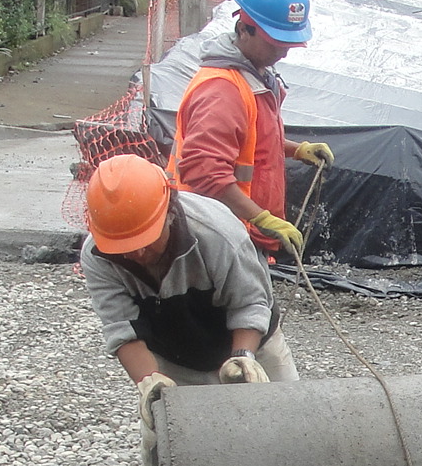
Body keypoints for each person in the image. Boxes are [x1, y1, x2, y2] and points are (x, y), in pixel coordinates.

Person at [80, 152, 294, 400]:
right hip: (178, 361)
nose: (137, 253)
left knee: (285, 414)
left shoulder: (217, 234)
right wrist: (149, 382)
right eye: (124, 246)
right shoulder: (98, 255)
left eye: (145, 241)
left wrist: (244, 358)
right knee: (181, 423)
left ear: (168, 213)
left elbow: (249, 303)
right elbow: (122, 328)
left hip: (255, 344)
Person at [168, 0, 334, 263]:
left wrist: (296, 150)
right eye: (275, 43)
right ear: (244, 29)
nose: (284, 52)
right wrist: (261, 218)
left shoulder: (255, 75)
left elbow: (246, 141)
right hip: (215, 238)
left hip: (237, 233)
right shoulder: (222, 90)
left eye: (289, 43)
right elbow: (204, 171)